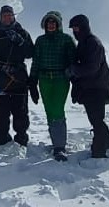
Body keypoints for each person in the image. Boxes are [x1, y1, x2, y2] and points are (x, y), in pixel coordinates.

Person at [29, 11, 76, 161]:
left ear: (58, 24)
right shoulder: (40, 41)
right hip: (44, 80)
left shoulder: (66, 39)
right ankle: (57, 143)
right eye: (48, 22)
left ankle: (60, 147)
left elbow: (73, 62)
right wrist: (33, 82)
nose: (51, 25)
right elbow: (36, 62)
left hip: (60, 79)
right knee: (50, 111)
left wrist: (75, 81)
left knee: (57, 109)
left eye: (53, 22)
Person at [0, 5, 34, 147]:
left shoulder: (22, 32)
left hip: (19, 77)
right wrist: (0, 66)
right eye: (4, 15)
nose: (7, 17)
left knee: (20, 112)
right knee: (0, 113)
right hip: (0, 77)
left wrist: (20, 41)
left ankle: (21, 140)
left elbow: (30, 53)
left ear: (14, 16)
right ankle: (2, 140)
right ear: (0, 17)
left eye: (10, 15)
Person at [68, 13, 109, 159]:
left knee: (96, 119)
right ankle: (107, 143)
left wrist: (73, 70)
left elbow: (91, 68)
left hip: (97, 88)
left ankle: (99, 151)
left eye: (77, 28)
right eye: (73, 29)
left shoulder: (92, 43)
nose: (75, 31)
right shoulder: (84, 42)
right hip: (91, 88)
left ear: (84, 27)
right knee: (96, 118)